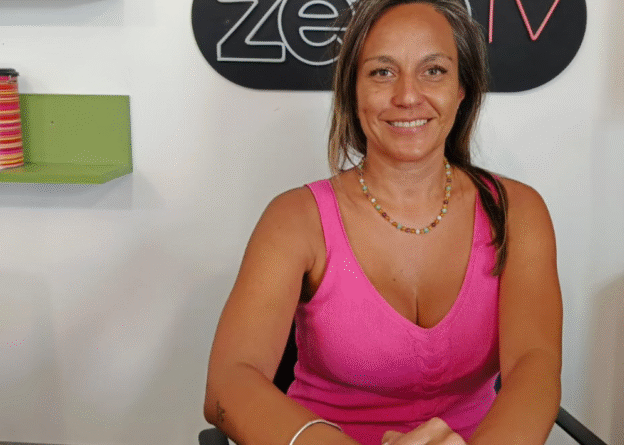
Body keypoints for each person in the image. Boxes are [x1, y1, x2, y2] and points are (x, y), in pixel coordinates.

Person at [203, 0, 562, 443]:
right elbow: (230, 381)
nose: (408, 96)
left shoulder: (518, 212)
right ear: (353, 91)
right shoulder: (294, 220)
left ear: (462, 89)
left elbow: (533, 365)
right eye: (382, 72)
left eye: (434, 71)